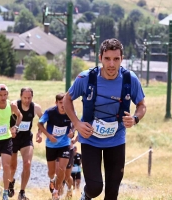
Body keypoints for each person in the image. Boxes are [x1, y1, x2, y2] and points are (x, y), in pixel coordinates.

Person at [63, 38, 146, 200]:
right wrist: (77, 123)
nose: (111, 64)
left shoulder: (130, 79)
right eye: (107, 59)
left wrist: (135, 118)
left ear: (122, 59)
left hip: (116, 140)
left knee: (112, 192)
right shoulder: (86, 78)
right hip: (90, 139)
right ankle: (86, 195)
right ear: (100, 58)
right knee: (95, 188)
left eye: (116, 59)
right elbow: (67, 99)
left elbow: (142, 105)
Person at [38, 93, 74, 200]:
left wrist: (72, 131)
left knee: (62, 169)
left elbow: (75, 123)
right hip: (51, 145)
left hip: (64, 144)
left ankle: (56, 192)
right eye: (60, 103)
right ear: (56, 103)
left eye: (65, 103)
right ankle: (52, 179)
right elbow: (40, 124)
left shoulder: (70, 111)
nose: (63, 105)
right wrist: (48, 135)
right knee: (51, 172)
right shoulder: (50, 112)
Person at [9, 87, 43, 200]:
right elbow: (3, 119)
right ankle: (11, 182)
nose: (27, 100)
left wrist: (39, 133)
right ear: (20, 96)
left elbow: (42, 120)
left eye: (29, 98)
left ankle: (22, 192)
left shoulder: (36, 107)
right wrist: (10, 130)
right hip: (13, 139)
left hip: (26, 139)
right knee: (12, 167)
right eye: (25, 98)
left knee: (27, 164)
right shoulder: (14, 105)